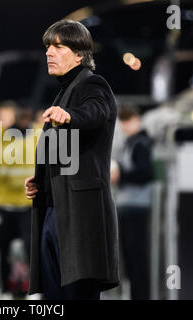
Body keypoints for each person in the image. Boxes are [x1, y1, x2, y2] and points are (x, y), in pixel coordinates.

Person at [25, 20, 120, 300]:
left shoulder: (92, 83)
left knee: (78, 295)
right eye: (47, 47)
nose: (48, 53)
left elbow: (95, 112)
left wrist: (71, 117)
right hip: (55, 209)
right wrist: (41, 182)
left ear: (79, 54)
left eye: (58, 46)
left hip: (80, 215)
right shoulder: (64, 91)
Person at [0, 101, 35, 298]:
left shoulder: (35, 132)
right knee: (1, 250)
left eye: (6, 117)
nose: (2, 121)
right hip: (3, 202)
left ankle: (34, 291)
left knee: (32, 249)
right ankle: (3, 290)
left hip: (28, 202)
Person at [111, 104, 154, 300]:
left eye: (128, 121)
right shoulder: (131, 143)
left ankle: (140, 295)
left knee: (137, 257)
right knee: (130, 257)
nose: (125, 126)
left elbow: (146, 173)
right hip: (129, 206)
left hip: (137, 207)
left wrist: (121, 176)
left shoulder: (140, 144)